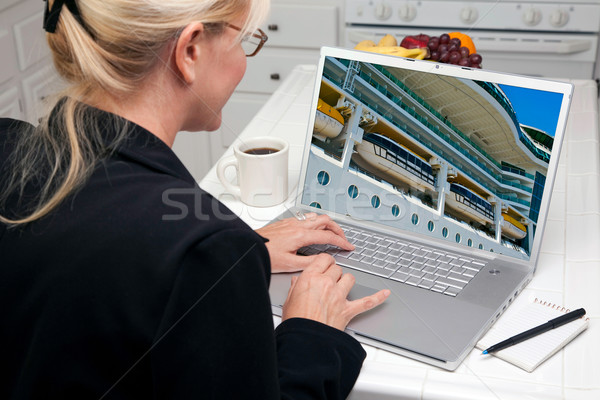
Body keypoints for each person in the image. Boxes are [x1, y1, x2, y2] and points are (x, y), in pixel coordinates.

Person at [0, 1, 389, 399]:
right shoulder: (202, 248)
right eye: (244, 42)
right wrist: (312, 332)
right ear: (190, 51)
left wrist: (222, 260)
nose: (243, 61)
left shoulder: (7, 143)